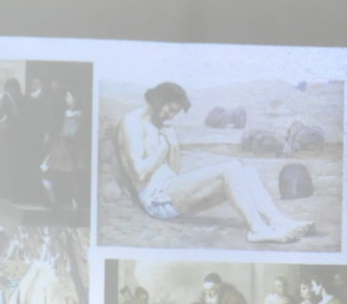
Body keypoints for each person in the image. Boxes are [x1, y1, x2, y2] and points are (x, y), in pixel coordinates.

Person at [115, 82, 313, 243]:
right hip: (156, 201)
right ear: (159, 100)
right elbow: (139, 174)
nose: (171, 116)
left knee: (247, 170)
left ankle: (278, 220)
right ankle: (258, 229)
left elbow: (174, 171)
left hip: (170, 190)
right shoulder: (133, 123)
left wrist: (173, 144)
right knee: (231, 169)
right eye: (171, 109)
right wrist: (163, 149)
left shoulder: (159, 126)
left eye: (175, 113)